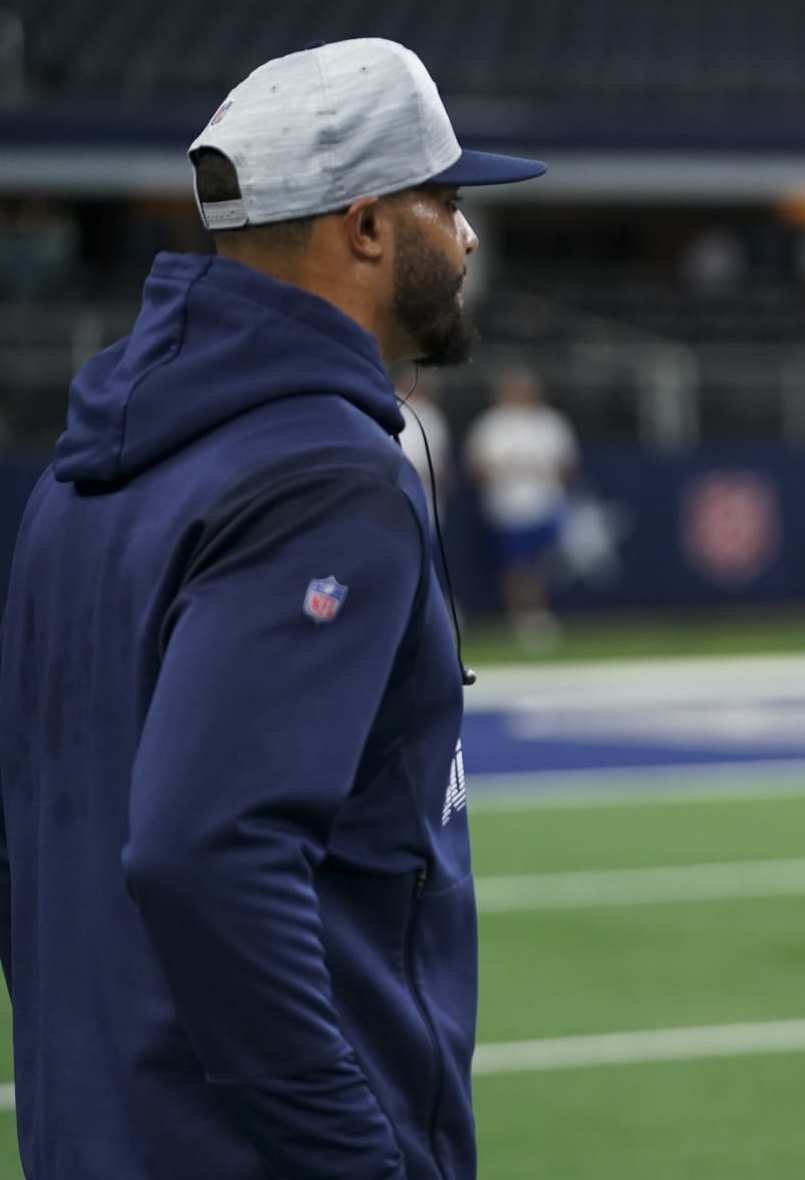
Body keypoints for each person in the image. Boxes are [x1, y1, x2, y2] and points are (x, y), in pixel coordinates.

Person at [0, 39, 544, 1180]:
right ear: (365, 227)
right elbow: (206, 852)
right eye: (446, 200)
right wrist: (354, 1157)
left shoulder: (81, 471)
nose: (470, 235)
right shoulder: (323, 477)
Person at [465, 366, 578, 647]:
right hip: (507, 506)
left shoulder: (550, 423)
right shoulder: (491, 425)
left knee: (540, 564)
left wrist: (541, 475)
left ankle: (540, 613)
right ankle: (522, 618)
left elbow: (568, 466)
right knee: (514, 566)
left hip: (544, 503)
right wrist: (507, 472)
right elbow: (476, 468)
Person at [398, 364, 453, 519]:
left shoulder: (434, 414)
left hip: (429, 497)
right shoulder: (393, 406)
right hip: (398, 496)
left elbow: (444, 459)